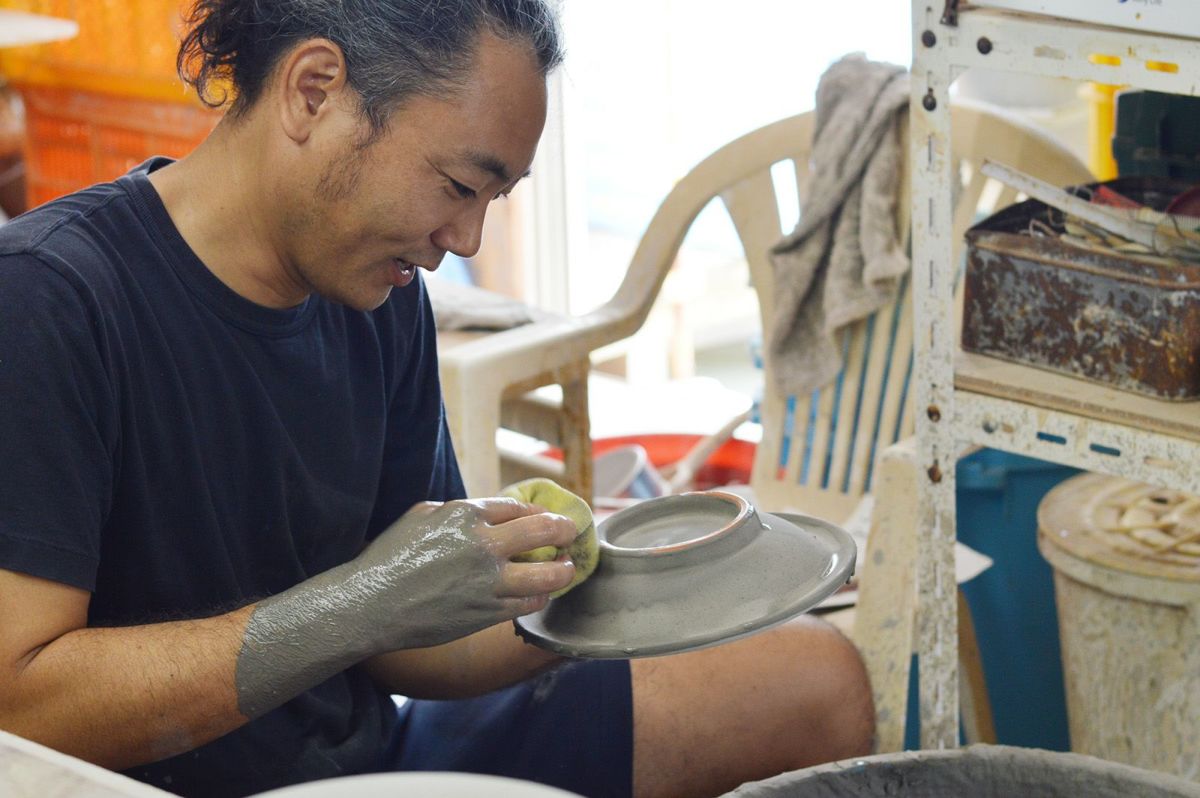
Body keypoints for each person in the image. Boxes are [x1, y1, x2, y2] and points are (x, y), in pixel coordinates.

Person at [0, 2, 874, 796]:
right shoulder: (50, 299)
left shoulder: (378, 298)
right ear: (313, 92)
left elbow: (404, 643)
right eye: (459, 185)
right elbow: (18, 706)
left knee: (815, 683)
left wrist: (617, 588)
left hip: (369, 758)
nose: (466, 239)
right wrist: (359, 604)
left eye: (494, 199)